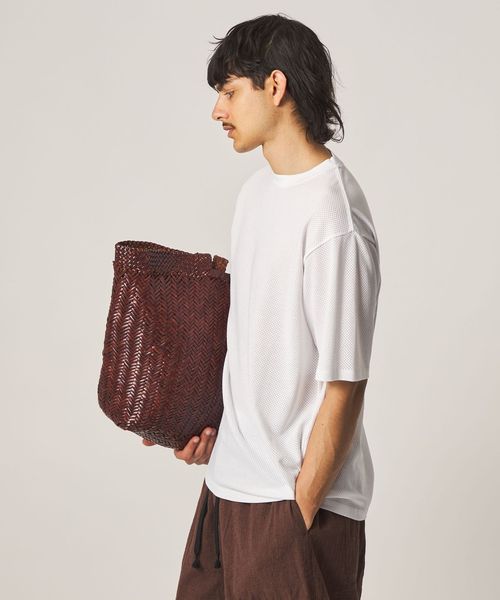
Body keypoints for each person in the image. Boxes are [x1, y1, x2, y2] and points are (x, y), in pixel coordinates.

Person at [145, 12, 381, 599]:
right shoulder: (254, 195)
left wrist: (298, 510)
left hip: (290, 506)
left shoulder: (333, 217)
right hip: (227, 493)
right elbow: (258, 347)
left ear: (275, 86)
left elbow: (345, 385)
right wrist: (211, 428)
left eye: (229, 91)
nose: (217, 111)